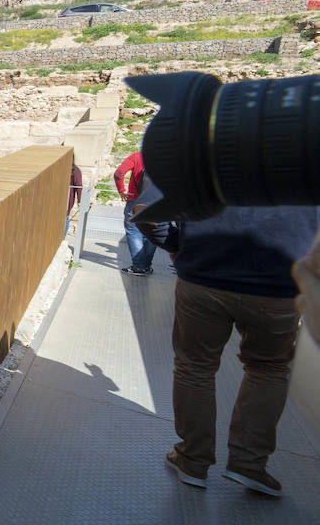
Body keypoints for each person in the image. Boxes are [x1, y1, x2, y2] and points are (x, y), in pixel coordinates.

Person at [134, 181, 319, 496]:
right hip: (278, 289)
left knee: (195, 367)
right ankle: (249, 464)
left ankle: (192, 461)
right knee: (269, 369)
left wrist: (176, 246)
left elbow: (146, 213)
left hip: (203, 280)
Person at [114, 150, 157, 275]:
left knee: (133, 230)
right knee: (153, 231)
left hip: (135, 200)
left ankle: (139, 266)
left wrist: (121, 190)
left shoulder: (136, 157)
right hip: (157, 202)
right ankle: (146, 266)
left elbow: (118, 173)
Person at [66, 161, 83, 238]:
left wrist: (80, 200)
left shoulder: (75, 170)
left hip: (67, 199)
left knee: (65, 217)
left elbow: (78, 185)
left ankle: (62, 239)